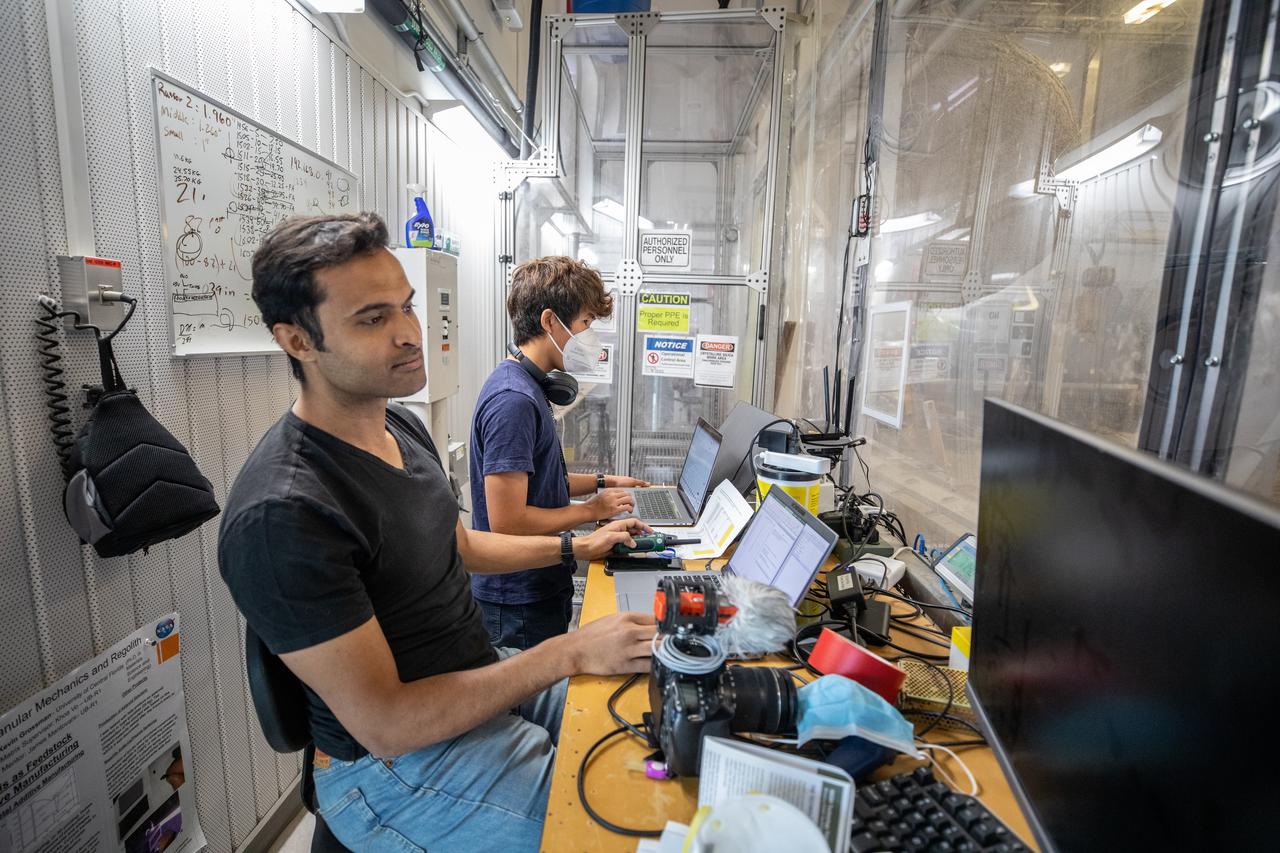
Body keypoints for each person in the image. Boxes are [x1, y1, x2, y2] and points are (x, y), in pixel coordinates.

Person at [217, 214, 655, 852]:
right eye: (372, 319)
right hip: (394, 764)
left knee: (653, 714)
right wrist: (568, 651)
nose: (408, 334)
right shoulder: (284, 512)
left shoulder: (401, 429)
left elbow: (465, 545)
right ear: (297, 340)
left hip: (476, 678)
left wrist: (578, 547)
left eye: (407, 307)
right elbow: (388, 722)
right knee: (616, 831)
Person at [470, 256, 648, 649]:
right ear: (551, 321)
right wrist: (591, 512)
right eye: (586, 322)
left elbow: (538, 482)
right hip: (517, 598)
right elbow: (508, 521)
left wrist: (602, 483)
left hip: (538, 583)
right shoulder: (513, 401)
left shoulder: (529, 387)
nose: (590, 336)